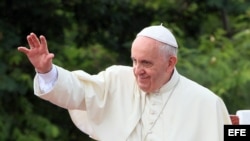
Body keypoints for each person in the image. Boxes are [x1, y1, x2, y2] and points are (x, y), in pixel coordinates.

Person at [18, 24, 232, 141]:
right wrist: (45, 70)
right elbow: (77, 91)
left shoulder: (205, 102)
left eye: (146, 63)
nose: (137, 71)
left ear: (170, 63)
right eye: (134, 61)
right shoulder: (117, 79)